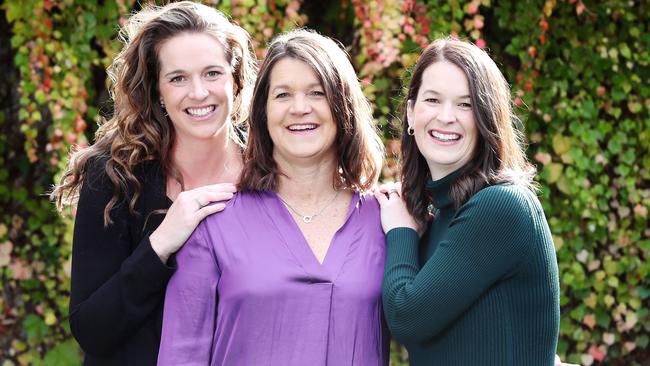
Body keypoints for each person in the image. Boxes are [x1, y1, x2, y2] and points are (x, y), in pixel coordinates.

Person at [157, 29, 389, 365]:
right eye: (282, 95)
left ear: (343, 106)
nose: (299, 108)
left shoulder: (384, 218)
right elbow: (182, 353)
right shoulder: (215, 222)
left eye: (317, 93)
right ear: (263, 113)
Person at [51, 2, 257, 364]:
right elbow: (92, 329)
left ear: (236, 78)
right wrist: (161, 243)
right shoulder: (115, 178)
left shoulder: (268, 175)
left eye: (212, 73)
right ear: (157, 90)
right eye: (178, 78)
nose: (198, 92)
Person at [375, 37, 561, 365]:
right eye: (432, 99)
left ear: (487, 118)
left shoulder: (501, 207)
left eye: (466, 104)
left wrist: (400, 233)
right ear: (410, 112)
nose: (447, 116)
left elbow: (407, 317)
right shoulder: (434, 212)